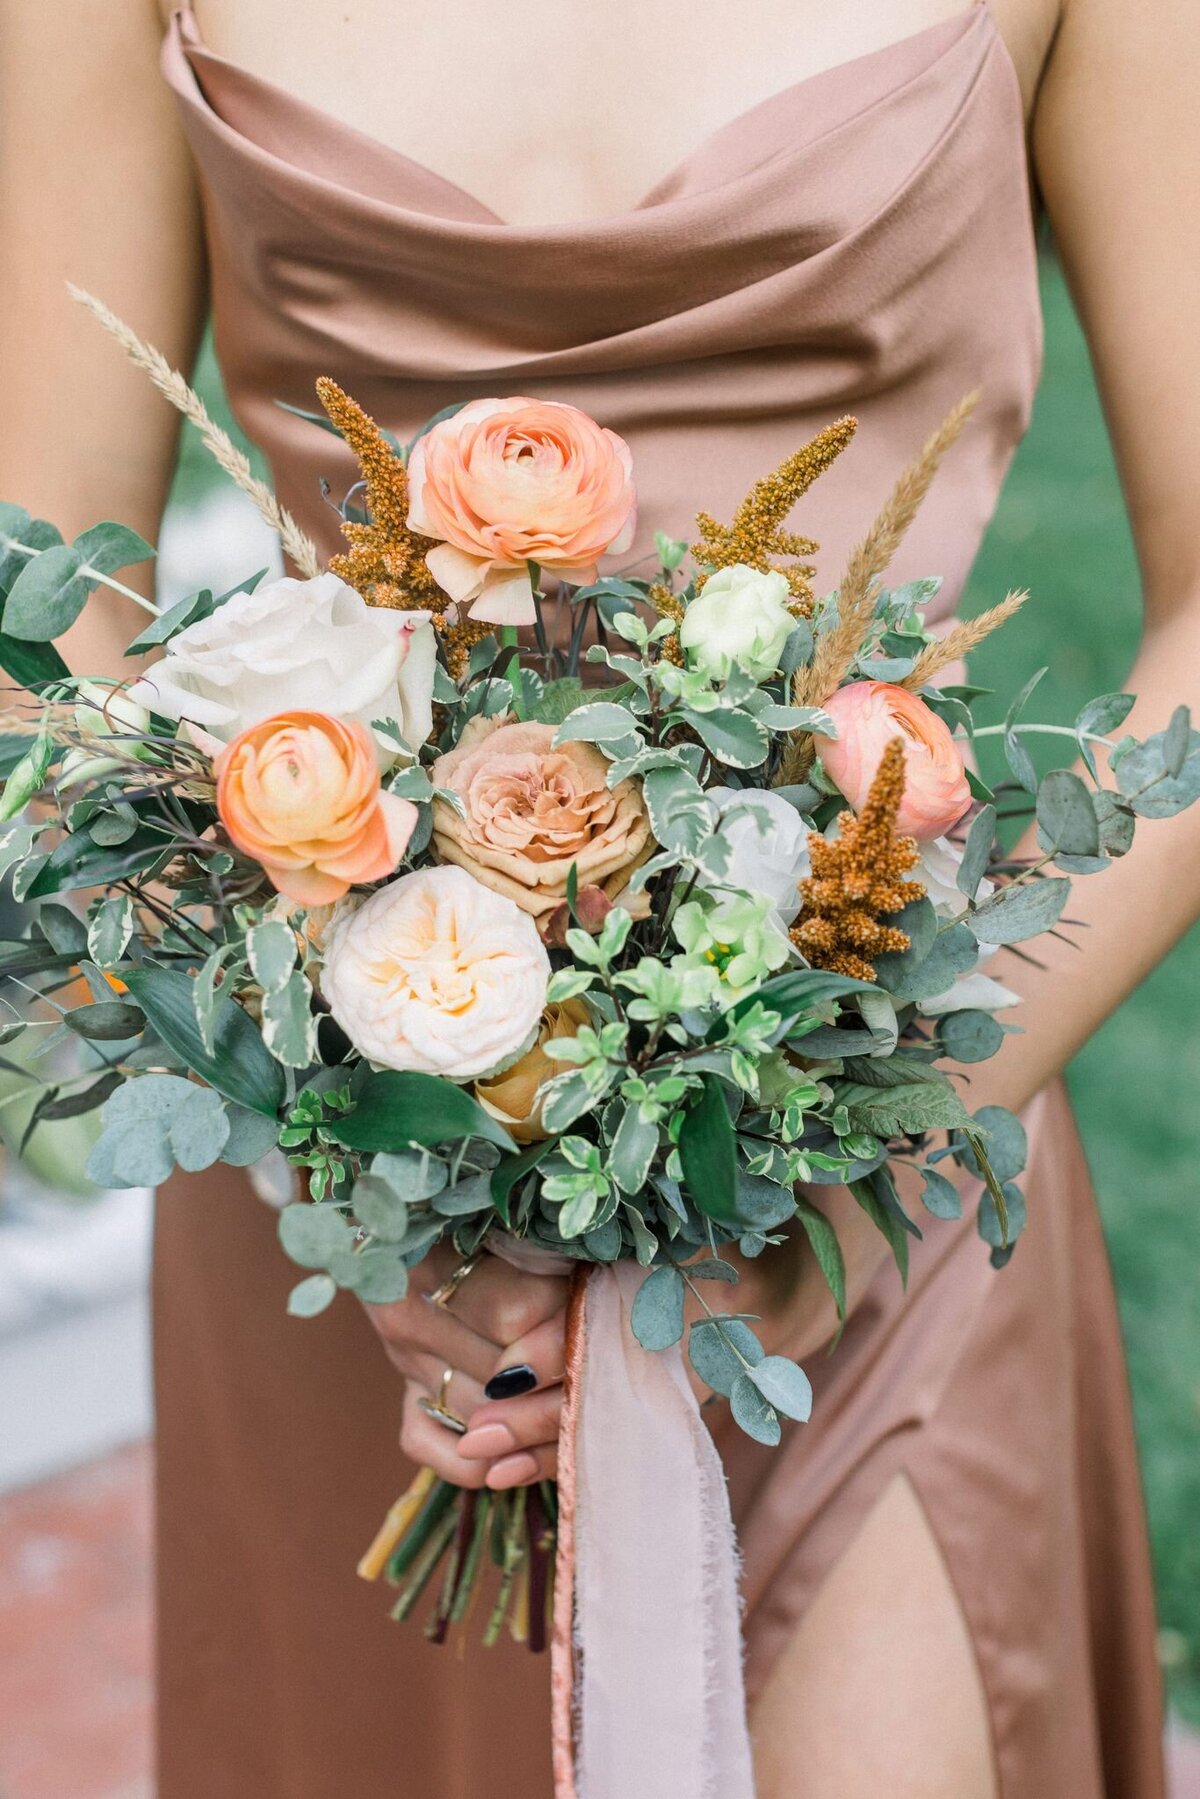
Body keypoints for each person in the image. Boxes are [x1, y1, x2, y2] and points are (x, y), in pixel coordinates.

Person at [2, 1, 1196, 1792]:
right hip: (354, 1199)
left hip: (882, 1157)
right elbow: (40, 605)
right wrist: (343, 1149)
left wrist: (833, 1200)